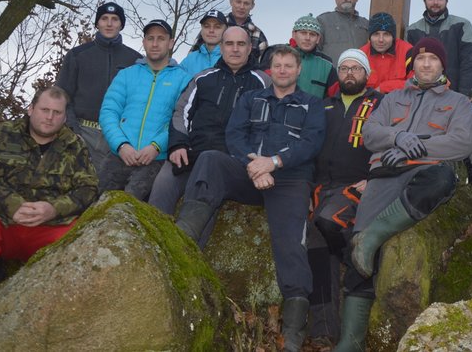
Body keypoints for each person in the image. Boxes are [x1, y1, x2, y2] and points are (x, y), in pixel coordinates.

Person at [174, 45, 325, 352]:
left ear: (299, 70)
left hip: (289, 179)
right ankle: (183, 236)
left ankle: (294, 330)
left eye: (288, 65)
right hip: (249, 170)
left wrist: (274, 163)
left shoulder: (312, 105)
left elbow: (311, 144)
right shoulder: (251, 98)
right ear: (270, 70)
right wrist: (254, 165)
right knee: (211, 160)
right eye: (277, 65)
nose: (282, 70)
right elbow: (234, 135)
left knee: (290, 244)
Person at [334, 37, 472, 351]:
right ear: (412, 65)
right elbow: (370, 134)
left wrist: (414, 148)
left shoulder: (459, 102)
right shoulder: (392, 98)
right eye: (420, 59)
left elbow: (462, 143)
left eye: (433, 59)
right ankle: (350, 341)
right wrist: (398, 137)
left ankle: (372, 237)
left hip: (424, 170)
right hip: (384, 174)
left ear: (442, 65)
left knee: (442, 179)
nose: (426, 64)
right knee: (357, 261)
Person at [0, 86, 98, 290]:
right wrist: (12, 204)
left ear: (64, 118)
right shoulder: (2, 134)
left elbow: (88, 189)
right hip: (2, 220)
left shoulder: (74, 145)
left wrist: (53, 208)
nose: (49, 117)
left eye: (57, 113)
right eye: (44, 110)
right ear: (31, 109)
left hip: (50, 225)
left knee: (82, 245)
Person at [149, 26, 271, 235]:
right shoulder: (203, 78)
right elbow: (181, 112)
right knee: (164, 182)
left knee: (207, 182)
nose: (235, 49)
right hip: (191, 152)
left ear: (250, 48)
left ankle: (188, 252)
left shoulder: (263, 83)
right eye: (229, 44)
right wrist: (179, 144)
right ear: (221, 47)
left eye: (241, 44)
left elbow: (268, 126)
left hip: (231, 160)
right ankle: (151, 240)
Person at [307, 49, 382, 347]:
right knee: (314, 242)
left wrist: (375, 176)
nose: (349, 73)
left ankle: (357, 263)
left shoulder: (381, 103)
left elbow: (390, 142)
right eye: (344, 68)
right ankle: (324, 328)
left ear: (367, 73)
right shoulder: (324, 105)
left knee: (327, 223)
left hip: (356, 184)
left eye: (356, 68)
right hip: (320, 185)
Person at [98, 19, 192, 200]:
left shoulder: (184, 79)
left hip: (156, 158)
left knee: (131, 205)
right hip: (120, 153)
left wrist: (156, 147)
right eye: (150, 38)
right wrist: (122, 145)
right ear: (144, 42)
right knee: (96, 204)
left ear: (170, 43)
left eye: (161, 39)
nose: (155, 44)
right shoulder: (126, 74)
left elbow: (181, 119)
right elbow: (108, 112)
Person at [56, 1, 139, 177]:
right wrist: (73, 131)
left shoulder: (135, 60)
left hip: (118, 136)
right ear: (97, 23)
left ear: (121, 24)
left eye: (115, 19)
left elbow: (139, 101)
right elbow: (62, 95)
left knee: (108, 189)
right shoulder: (78, 55)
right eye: (104, 18)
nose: (109, 24)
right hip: (84, 132)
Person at [406, 0, 472, 96]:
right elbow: (408, 67)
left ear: (446, 0)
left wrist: (464, 95)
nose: (435, 2)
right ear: (424, 1)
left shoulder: (461, 25)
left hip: (454, 96)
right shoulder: (412, 30)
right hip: (419, 98)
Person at [262, 14, 336, 99]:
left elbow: (335, 98)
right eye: (303, 33)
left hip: (312, 111)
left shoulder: (326, 64)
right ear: (294, 34)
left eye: (312, 34)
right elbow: (263, 86)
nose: (307, 38)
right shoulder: (274, 55)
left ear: (318, 38)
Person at [317, 0, 369, 64]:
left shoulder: (366, 24)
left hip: (360, 76)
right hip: (331, 76)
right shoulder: (323, 21)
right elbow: (314, 51)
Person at [225, 0, 268, 67]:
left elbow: (264, 66)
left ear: (252, 6)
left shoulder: (257, 34)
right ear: (231, 2)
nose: (241, 7)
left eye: (246, 3)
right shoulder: (216, 28)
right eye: (238, 2)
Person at [179, 9, 227, 76]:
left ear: (225, 30)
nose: (211, 30)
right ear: (201, 30)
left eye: (217, 27)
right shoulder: (190, 59)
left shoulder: (232, 57)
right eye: (207, 26)